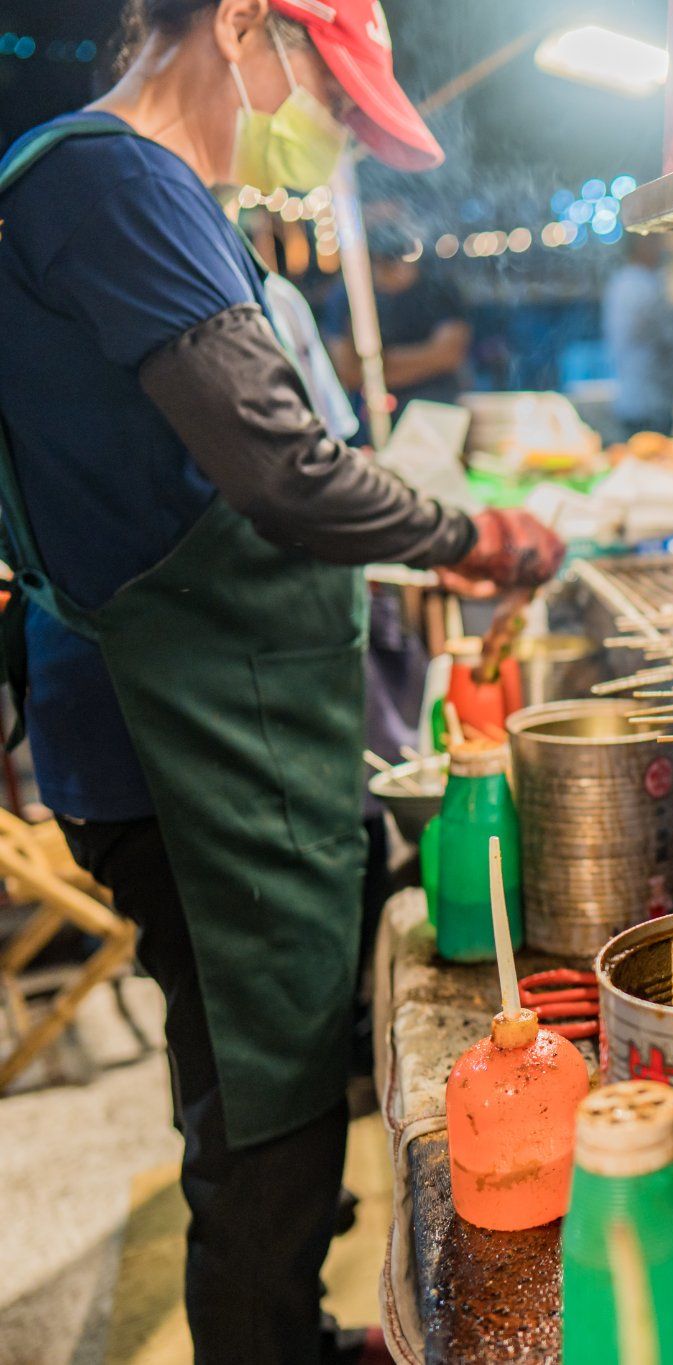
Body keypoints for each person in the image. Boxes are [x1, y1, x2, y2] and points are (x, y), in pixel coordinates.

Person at [0, 4, 563, 1362]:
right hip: (185, 738)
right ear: (245, 23)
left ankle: (289, 1332)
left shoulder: (115, 189)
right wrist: (468, 537)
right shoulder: (112, 180)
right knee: (265, 1102)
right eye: (326, 88)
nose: (328, 136)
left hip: (196, 717)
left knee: (265, 1071)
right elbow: (281, 469)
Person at [323, 219, 471, 420]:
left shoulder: (438, 289)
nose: (393, 271)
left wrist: (380, 365)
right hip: (370, 418)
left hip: (438, 412)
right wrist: (426, 358)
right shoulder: (347, 296)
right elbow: (348, 372)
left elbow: (448, 354)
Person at [602, 233, 673, 438]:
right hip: (647, 403)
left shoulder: (623, 281)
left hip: (634, 398)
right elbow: (667, 339)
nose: (662, 247)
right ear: (641, 244)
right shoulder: (641, 285)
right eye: (656, 240)